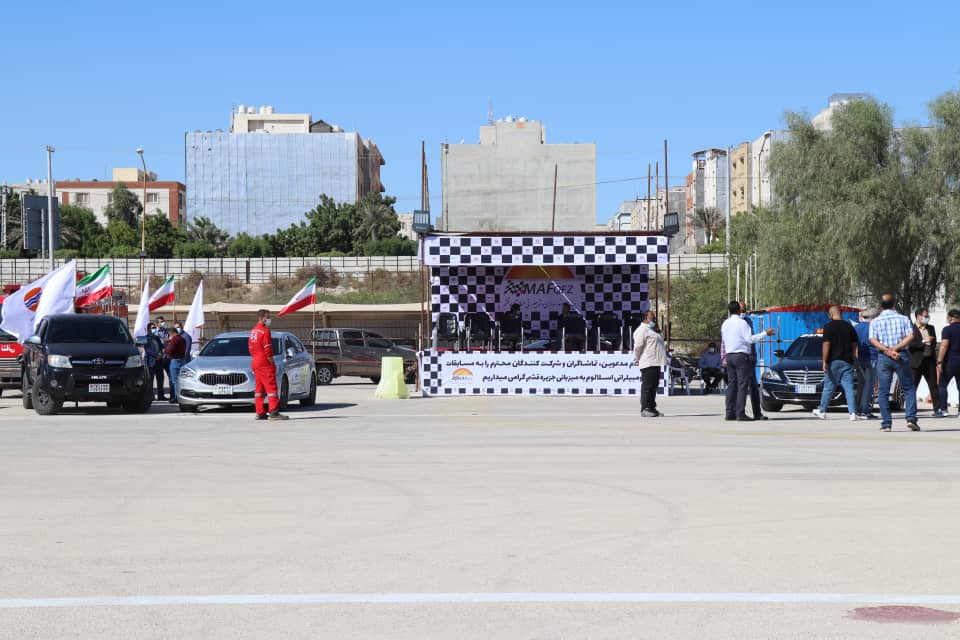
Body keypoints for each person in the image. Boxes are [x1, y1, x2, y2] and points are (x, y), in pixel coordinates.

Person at [868, 294, 919, 432]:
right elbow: (911, 336)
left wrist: (887, 350)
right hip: (901, 355)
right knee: (908, 388)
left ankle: (886, 423)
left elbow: (872, 340)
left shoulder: (875, 322)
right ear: (894, 305)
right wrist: (895, 349)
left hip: (884, 356)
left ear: (881, 306)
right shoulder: (903, 319)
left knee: (883, 390)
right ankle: (911, 418)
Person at [722, 301, 775, 421]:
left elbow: (724, 341)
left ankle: (729, 413)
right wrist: (765, 333)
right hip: (741, 356)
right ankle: (740, 413)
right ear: (738, 310)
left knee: (732, 385)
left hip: (729, 356)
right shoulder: (742, 323)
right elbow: (749, 339)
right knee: (743, 385)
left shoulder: (725, 323)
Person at [811, 306, 861, 421]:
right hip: (847, 361)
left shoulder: (828, 327)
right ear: (840, 314)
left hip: (833, 361)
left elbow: (826, 344)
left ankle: (822, 411)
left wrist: (824, 361)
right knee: (849, 388)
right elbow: (855, 345)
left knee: (829, 387)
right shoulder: (849, 327)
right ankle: (853, 413)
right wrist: (854, 358)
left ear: (831, 314)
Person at [249, 309, 288, 421]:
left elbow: (250, 348)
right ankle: (274, 412)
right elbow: (268, 350)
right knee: (271, 388)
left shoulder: (253, 331)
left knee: (259, 388)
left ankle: (260, 412)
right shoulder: (265, 331)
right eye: (268, 317)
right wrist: (272, 363)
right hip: (264, 362)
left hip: (255, 361)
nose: (269, 319)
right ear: (262, 318)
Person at [632, 310, 668, 418]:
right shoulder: (642, 330)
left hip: (656, 362)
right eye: (652, 318)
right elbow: (638, 346)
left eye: (654, 318)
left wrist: (658, 329)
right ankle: (645, 408)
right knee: (647, 386)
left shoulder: (652, 330)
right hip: (648, 361)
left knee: (653, 386)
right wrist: (637, 357)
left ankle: (652, 408)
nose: (654, 320)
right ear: (646, 319)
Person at [910, 308, 944, 417]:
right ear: (918, 316)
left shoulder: (930, 328)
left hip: (929, 361)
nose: (927, 318)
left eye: (927, 316)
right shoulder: (911, 328)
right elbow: (910, 345)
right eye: (925, 316)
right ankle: (911, 411)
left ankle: (937, 409)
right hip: (916, 361)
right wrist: (924, 341)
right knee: (912, 387)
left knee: (933, 386)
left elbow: (934, 342)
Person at [739, 301, 768, 420]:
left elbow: (752, 342)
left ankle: (757, 413)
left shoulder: (748, 321)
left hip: (749, 358)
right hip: (739, 358)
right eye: (741, 310)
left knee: (753, 386)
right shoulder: (732, 323)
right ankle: (738, 412)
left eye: (744, 310)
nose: (743, 313)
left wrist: (754, 356)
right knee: (740, 387)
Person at [854, 307, 879, 419]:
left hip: (860, 358)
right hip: (872, 357)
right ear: (874, 317)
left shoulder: (857, 327)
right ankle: (865, 410)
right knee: (869, 385)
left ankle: (858, 408)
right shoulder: (874, 327)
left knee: (861, 384)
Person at [936, 308, 960, 418]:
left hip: (950, 362)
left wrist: (939, 361)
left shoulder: (947, 329)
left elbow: (944, 345)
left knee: (942, 385)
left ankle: (944, 410)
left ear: (950, 318)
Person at [163, 325, 187, 403]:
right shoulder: (182, 339)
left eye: (169, 334)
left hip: (175, 361)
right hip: (182, 360)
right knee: (181, 380)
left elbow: (170, 350)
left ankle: (177, 398)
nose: (169, 336)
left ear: (172, 333)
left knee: (175, 381)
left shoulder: (174, 339)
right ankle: (182, 397)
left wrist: (164, 350)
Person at [144, 322, 165, 400]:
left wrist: (162, 353)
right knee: (150, 380)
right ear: (148, 329)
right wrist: (156, 355)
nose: (154, 329)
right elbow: (147, 350)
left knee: (160, 379)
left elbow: (161, 346)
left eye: (155, 328)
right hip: (151, 362)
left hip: (159, 362)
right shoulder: (146, 338)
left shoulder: (156, 337)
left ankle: (161, 396)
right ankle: (150, 396)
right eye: (153, 328)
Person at [154, 316, 171, 400]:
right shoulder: (154, 332)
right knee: (159, 377)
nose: (163, 323)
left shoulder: (167, 331)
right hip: (158, 358)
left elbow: (170, 341)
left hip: (167, 357)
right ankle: (158, 395)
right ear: (157, 323)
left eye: (163, 321)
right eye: (161, 321)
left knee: (169, 376)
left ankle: (170, 395)